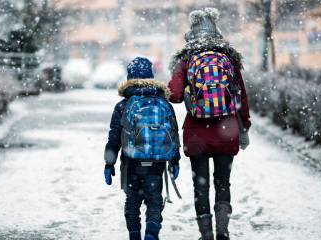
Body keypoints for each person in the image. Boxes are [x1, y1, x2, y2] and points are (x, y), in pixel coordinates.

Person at [168, 8, 251, 240]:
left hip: (197, 135)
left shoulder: (186, 59)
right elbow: (241, 98)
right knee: (223, 182)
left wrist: (186, 93)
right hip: (227, 131)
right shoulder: (229, 59)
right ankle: (223, 231)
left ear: (191, 33)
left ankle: (206, 235)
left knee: (201, 186)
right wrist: (244, 127)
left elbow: (173, 95)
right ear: (217, 31)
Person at [104, 57, 181, 240]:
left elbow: (114, 137)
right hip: (156, 161)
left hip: (131, 162)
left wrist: (109, 164)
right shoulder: (163, 102)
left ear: (129, 77)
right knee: (154, 200)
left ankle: (135, 235)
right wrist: (175, 161)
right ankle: (152, 233)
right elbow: (174, 134)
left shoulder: (123, 105)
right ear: (151, 76)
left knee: (132, 201)